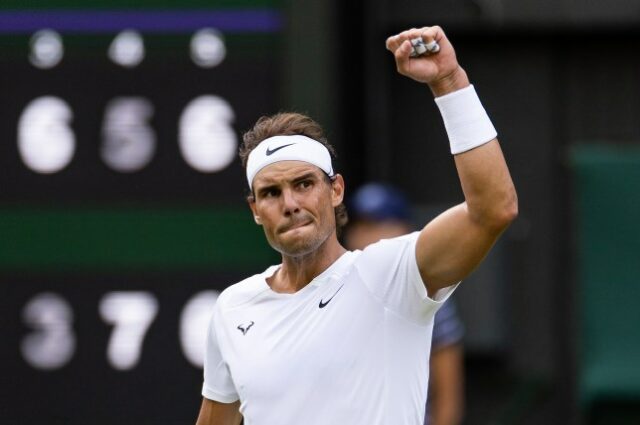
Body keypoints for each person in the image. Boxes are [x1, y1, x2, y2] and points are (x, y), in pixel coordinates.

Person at [195, 25, 517, 425]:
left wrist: (450, 82)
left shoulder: (389, 274)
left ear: (335, 191)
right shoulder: (233, 307)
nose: (290, 204)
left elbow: (493, 210)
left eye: (304, 184)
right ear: (255, 209)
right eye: (271, 193)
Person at [345, 182, 465, 425]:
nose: (369, 235)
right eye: (362, 225)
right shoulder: (336, 287)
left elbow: (448, 393)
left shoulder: (427, 289)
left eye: (380, 223)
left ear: (405, 229)